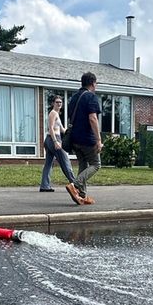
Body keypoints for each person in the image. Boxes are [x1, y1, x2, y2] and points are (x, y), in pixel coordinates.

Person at [64, 72, 102, 206]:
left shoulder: (73, 98)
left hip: (75, 139)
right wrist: (98, 140)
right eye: (96, 83)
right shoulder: (91, 97)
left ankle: (82, 196)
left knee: (83, 165)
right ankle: (75, 185)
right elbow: (93, 118)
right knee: (96, 165)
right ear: (92, 83)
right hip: (87, 139)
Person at [39, 95, 76, 192]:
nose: (59, 104)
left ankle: (44, 186)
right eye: (57, 102)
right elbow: (50, 128)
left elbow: (63, 130)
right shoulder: (53, 113)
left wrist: (71, 129)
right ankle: (76, 184)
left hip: (52, 139)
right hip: (53, 139)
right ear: (53, 104)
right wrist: (55, 142)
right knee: (65, 161)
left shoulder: (57, 114)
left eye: (60, 102)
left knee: (48, 164)